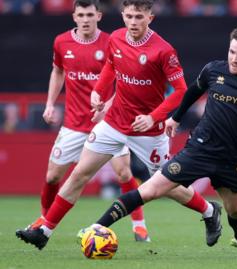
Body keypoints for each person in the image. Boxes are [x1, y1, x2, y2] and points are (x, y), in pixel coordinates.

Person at [79, 26, 237, 257]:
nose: (234, 58)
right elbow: (191, 93)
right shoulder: (213, 70)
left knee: (236, 210)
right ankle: (96, 227)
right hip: (198, 149)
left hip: (229, 158)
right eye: (232, 52)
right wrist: (174, 119)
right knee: (149, 190)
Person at [16, 0, 220, 250]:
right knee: (80, 173)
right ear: (122, 15)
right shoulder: (116, 38)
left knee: (167, 187)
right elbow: (111, 67)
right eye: (129, 16)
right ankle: (44, 231)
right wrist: (99, 93)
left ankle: (210, 211)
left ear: (150, 18)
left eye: (139, 17)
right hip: (114, 122)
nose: (133, 22)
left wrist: (153, 117)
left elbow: (180, 91)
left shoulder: (163, 50)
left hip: (148, 131)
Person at [16, 0, 152, 242]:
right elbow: (58, 71)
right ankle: (44, 221)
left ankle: (139, 226)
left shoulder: (113, 41)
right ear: (74, 17)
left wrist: (108, 106)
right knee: (52, 177)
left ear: (99, 16)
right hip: (73, 124)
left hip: (109, 122)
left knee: (123, 173)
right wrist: (49, 103)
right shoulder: (61, 42)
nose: (86, 19)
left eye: (90, 14)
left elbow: (124, 79)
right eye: (81, 14)